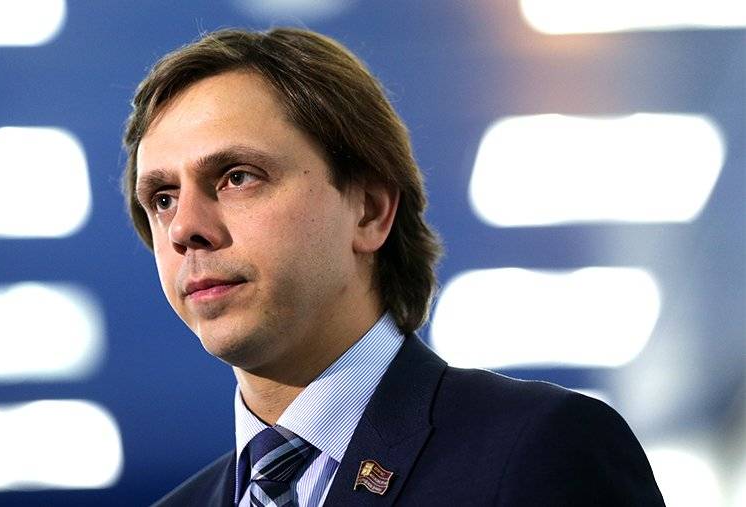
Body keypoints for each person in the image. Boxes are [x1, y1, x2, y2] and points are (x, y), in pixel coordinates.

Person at [122, 27, 664, 506]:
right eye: (163, 198)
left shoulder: (540, 448)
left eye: (238, 177)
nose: (183, 228)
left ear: (370, 211)